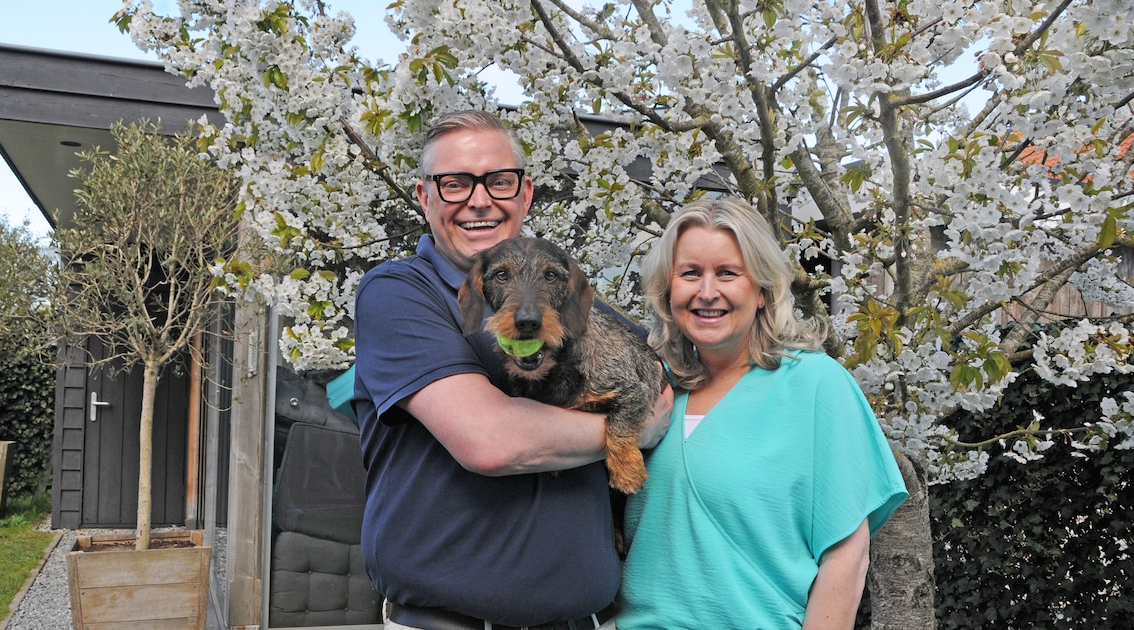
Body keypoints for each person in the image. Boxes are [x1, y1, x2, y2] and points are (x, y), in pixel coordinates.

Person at [350, 109, 671, 630]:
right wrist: (630, 431)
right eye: (455, 183)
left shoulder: (566, 295)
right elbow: (490, 441)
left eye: (499, 181)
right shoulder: (399, 293)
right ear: (424, 197)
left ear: (525, 194)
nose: (480, 200)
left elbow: (657, 372)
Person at [616, 198, 908, 629]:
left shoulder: (815, 385)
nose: (707, 292)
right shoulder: (653, 386)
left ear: (763, 290)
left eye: (728, 273)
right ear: (667, 289)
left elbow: (847, 557)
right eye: (690, 273)